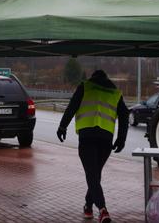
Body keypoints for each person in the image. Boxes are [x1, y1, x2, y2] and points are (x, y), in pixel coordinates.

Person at [56, 70, 129, 223]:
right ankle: (88, 206)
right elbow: (124, 115)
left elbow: (72, 106)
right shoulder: (115, 92)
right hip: (106, 140)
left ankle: (102, 210)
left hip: (87, 137)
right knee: (95, 174)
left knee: (92, 175)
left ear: (93, 77)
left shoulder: (86, 86)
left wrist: (62, 127)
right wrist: (121, 139)